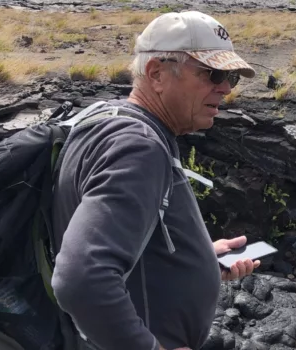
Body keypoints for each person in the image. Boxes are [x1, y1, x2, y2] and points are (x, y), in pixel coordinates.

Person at [49, 11, 260, 350]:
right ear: (156, 74)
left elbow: (123, 242)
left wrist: (200, 260)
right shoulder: (138, 148)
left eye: (231, 77)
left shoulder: (108, 119)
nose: (224, 89)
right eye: (213, 74)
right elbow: (81, 279)